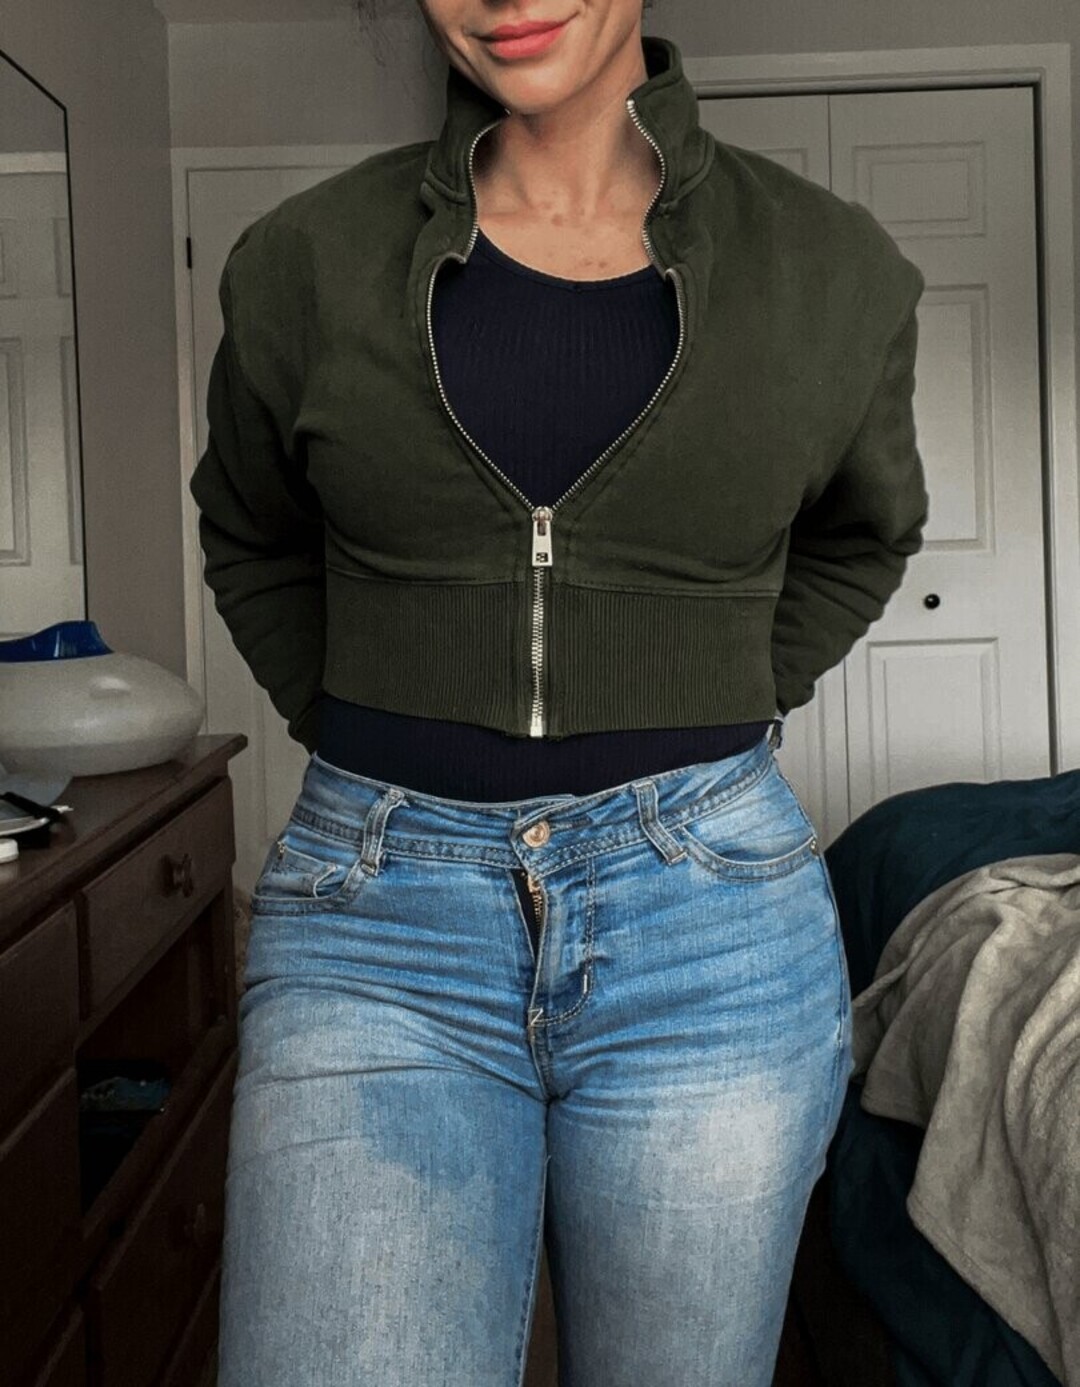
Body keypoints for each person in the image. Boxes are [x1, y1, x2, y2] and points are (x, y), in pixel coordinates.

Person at [188, 1, 928, 1383]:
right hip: (378, 937)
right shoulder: (301, 262)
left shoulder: (833, 270)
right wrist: (362, 716)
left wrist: (721, 684)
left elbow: (865, 536)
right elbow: (250, 529)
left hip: (710, 935)